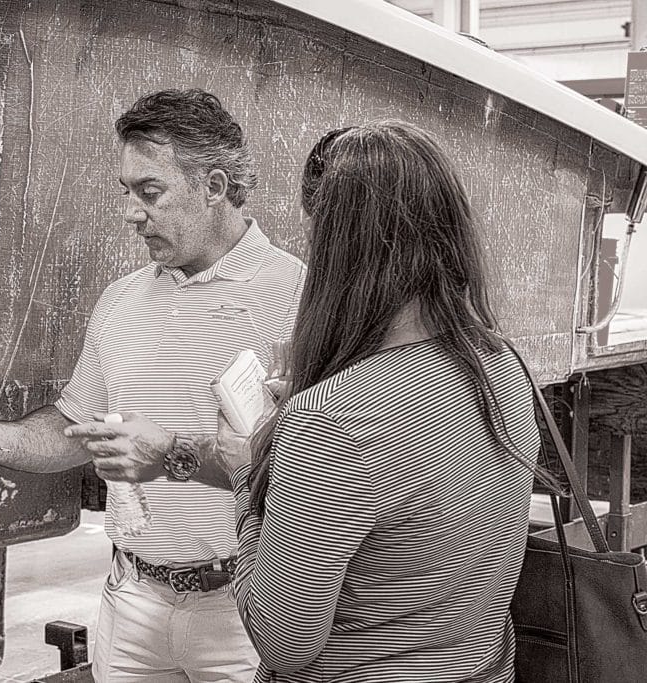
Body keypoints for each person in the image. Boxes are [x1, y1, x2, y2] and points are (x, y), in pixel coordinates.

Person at [95, 121, 551, 681]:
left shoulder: (330, 420)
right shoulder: (496, 364)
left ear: (338, 246)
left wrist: (252, 473)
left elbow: (283, 642)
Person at [0, 89, 306, 681]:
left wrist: (170, 455)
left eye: (151, 192)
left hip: (249, 610)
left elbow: (319, 468)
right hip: (132, 599)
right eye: (128, 193)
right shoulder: (121, 303)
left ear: (215, 187)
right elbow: (74, 431)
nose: (132, 214)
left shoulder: (300, 299)